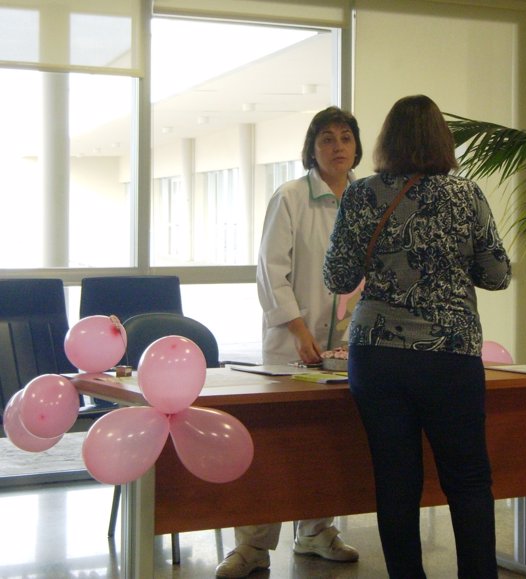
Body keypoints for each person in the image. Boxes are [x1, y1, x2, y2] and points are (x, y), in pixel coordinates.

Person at [323, 95, 511, 579]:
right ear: (442, 141)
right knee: (468, 479)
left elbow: (339, 276)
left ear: (385, 141)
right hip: (449, 354)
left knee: (396, 478)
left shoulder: (361, 195)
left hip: (377, 356)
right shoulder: (466, 195)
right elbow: (495, 275)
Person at [215, 106, 363, 578]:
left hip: (346, 345)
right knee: (275, 446)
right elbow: (271, 272)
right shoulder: (291, 197)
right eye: (327, 139)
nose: (337, 146)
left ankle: (316, 530)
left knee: (326, 441)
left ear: (357, 146)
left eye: (345, 137)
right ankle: (254, 547)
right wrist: (298, 330)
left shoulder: (365, 198)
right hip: (291, 344)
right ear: (312, 148)